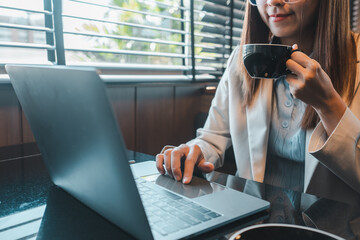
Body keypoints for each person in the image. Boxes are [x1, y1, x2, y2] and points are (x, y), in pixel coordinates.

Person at [156, 0, 360, 203]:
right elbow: (212, 138)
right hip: (254, 217)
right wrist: (194, 151)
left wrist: (328, 106)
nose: (273, 1)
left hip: (332, 228)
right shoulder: (242, 59)